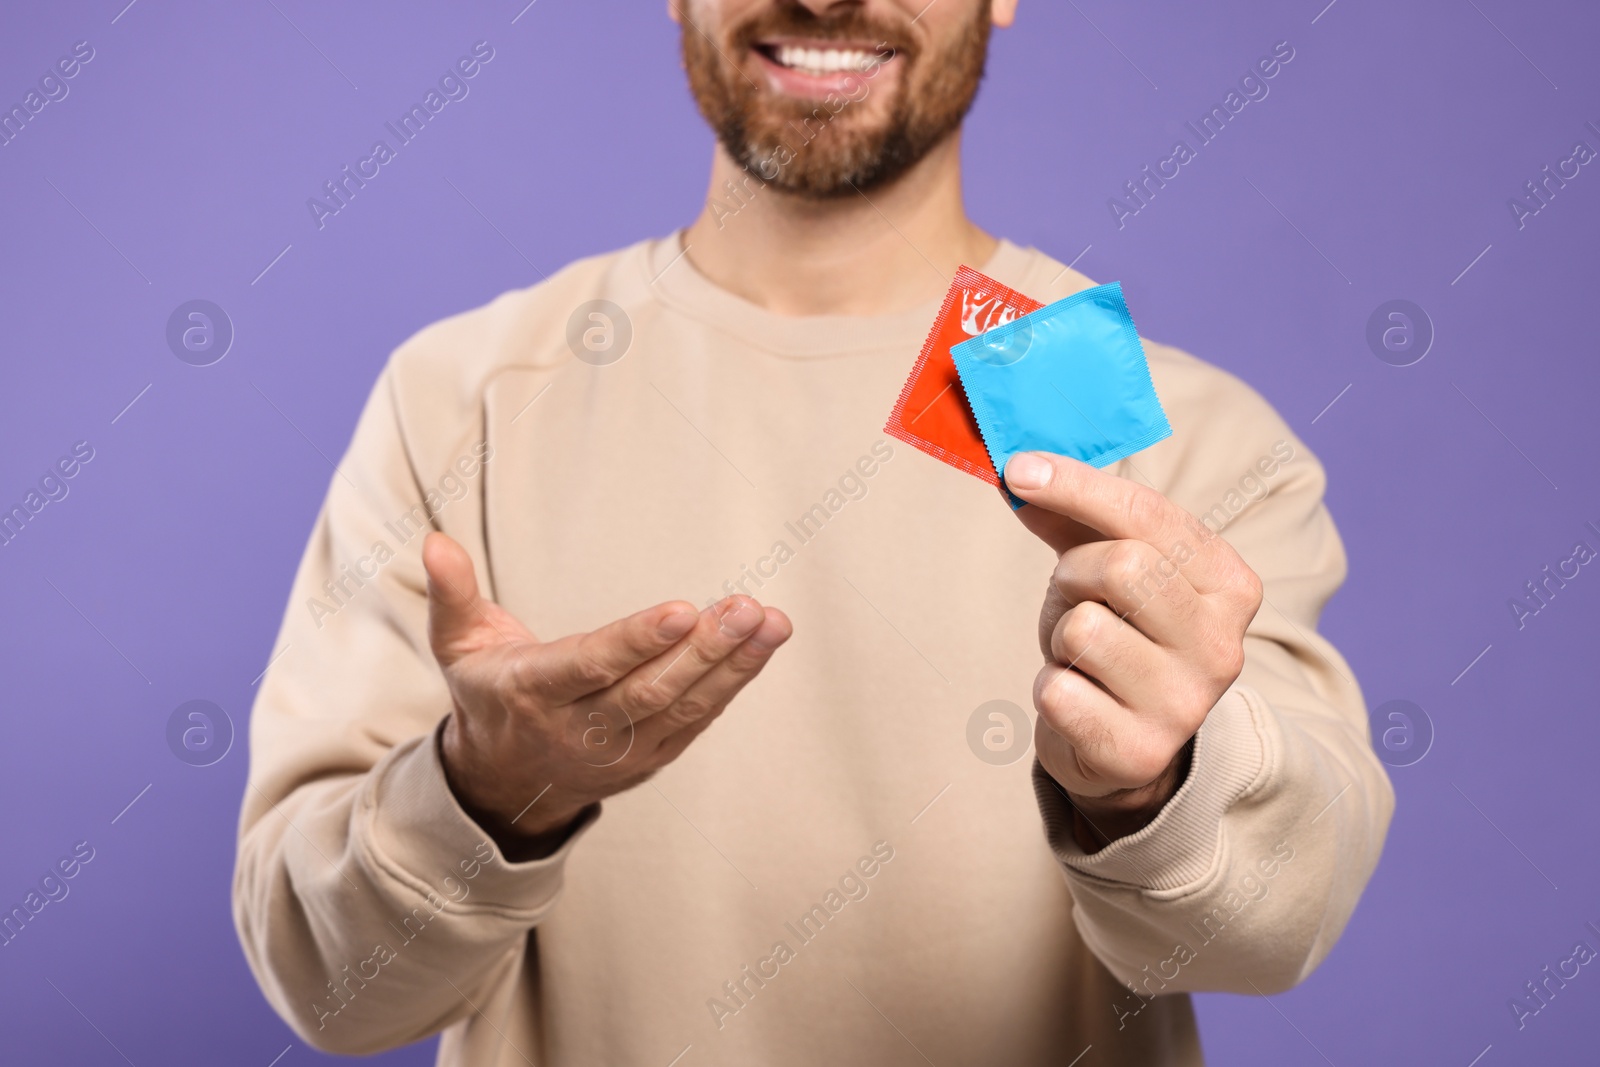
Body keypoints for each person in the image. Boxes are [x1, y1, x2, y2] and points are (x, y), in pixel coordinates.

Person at [233, 2, 1393, 1064]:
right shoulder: (463, 399)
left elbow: (1276, 928)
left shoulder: (1185, 436)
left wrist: (1157, 790)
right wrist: (482, 796)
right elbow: (331, 991)